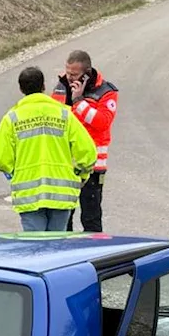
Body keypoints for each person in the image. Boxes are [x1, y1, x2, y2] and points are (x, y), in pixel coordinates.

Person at [0, 66, 98, 232]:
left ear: (21, 89)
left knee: (36, 249)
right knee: (56, 247)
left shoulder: (12, 118)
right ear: (43, 87)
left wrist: (15, 172)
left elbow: (0, 158)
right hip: (61, 193)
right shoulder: (65, 114)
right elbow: (88, 152)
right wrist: (81, 174)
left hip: (29, 196)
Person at [52, 50, 118, 232]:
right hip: (66, 165)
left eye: (74, 74)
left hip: (93, 166)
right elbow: (55, 119)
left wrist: (79, 101)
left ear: (87, 73)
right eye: (68, 72)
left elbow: (102, 123)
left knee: (91, 218)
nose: (69, 77)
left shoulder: (106, 92)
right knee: (64, 218)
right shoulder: (61, 87)